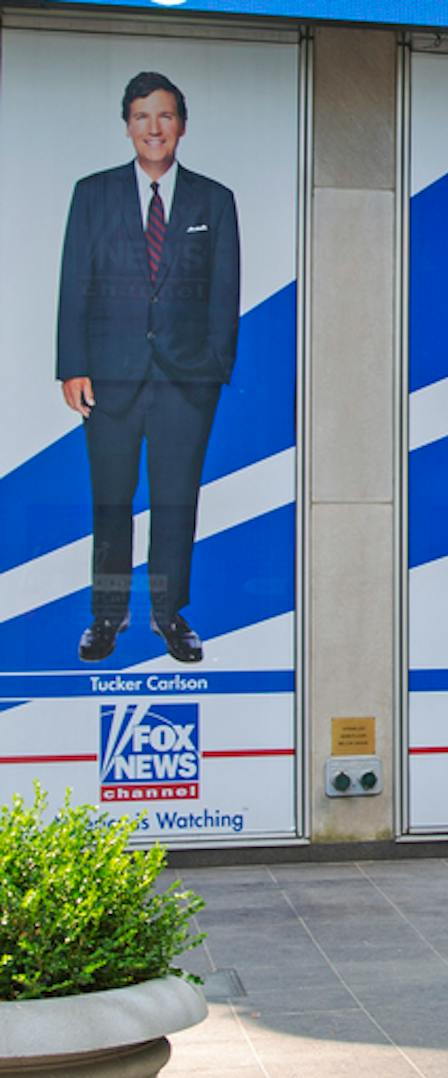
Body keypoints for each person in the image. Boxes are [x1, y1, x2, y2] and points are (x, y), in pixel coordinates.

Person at [57, 70, 240, 666]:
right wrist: (72, 366)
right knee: (111, 500)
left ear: (181, 125)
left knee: (175, 500)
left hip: (187, 381)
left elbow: (224, 292)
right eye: (141, 116)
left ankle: (169, 614)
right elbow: (74, 282)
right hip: (109, 377)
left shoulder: (214, 200)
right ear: (127, 126)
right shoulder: (94, 193)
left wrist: (214, 368)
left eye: (164, 116)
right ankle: (108, 616)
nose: (153, 128)